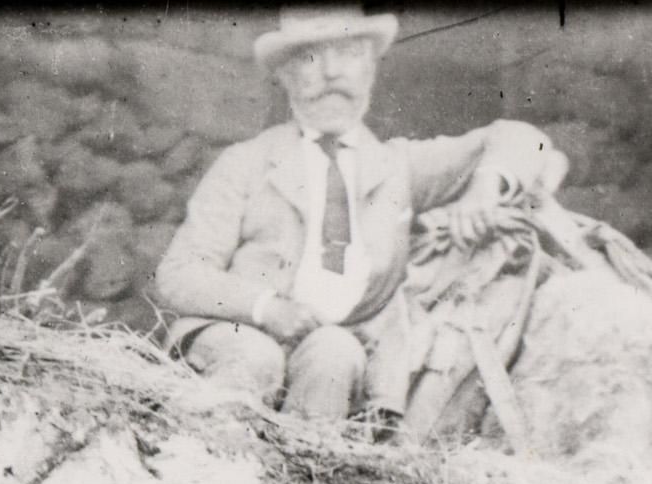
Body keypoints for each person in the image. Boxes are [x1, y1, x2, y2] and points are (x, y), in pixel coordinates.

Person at [154, 7, 555, 429]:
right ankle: (211, 472)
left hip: (334, 343)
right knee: (256, 357)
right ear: (287, 75)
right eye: (310, 58)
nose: (331, 73)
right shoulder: (247, 163)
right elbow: (179, 273)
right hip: (239, 331)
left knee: (336, 355)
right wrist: (265, 307)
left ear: (370, 70)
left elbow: (522, 138)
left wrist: (483, 190)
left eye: (347, 54)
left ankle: (296, 483)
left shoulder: (396, 166)